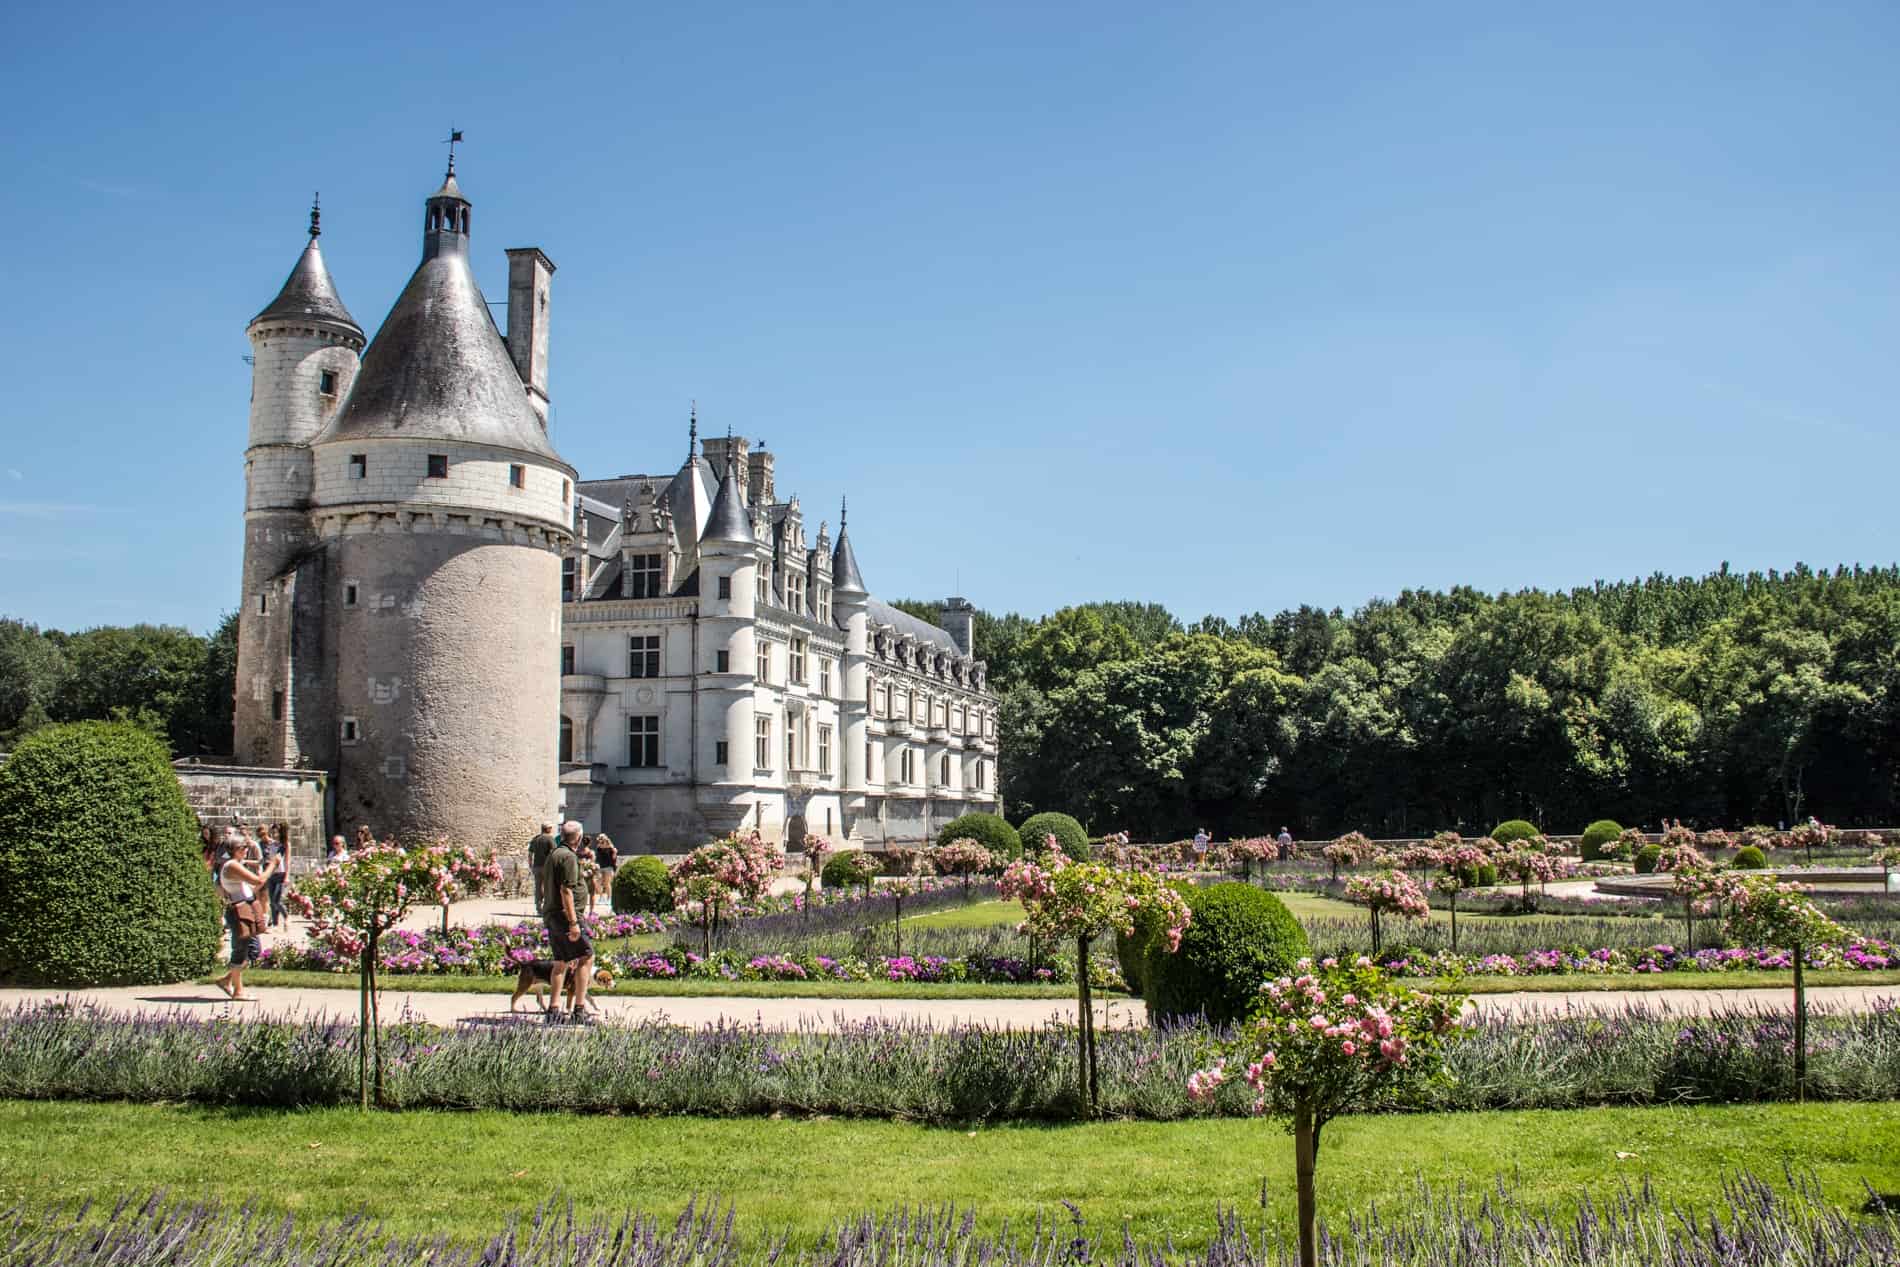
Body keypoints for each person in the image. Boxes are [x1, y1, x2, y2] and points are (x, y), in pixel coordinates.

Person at [540, 821, 595, 1024]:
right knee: (586, 957)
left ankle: (553, 1010)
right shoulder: (569, 857)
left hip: (552, 913)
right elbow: (566, 890)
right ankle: (579, 1011)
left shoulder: (553, 855)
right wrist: (573, 922)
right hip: (566, 916)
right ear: (579, 838)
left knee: (560, 961)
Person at [212, 833, 268, 1000]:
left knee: (253, 950)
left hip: (246, 909)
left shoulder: (236, 865)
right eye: (242, 847)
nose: (246, 850)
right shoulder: (231, 866)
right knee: (240, 950)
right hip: (238, 912)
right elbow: (259, 879)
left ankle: (226, 980)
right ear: (233, 850)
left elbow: (252, 887)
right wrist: (274, 865)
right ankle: (238, 991)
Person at [261, 828, 289, 929]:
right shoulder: (271, 845)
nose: (274, 834)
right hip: (272, 874)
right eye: (272, 832)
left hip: (281, 873)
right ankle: (275, 924)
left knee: (276, 900)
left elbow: (287, 861)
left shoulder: (284, 844)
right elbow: (269, 858)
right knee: (272, 902)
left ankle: (286, 917)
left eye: (276, 832)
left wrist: (287, 875)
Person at [528, 823, 556, 910]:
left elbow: (530, 853)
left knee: (538, 886)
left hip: (536, 866)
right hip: (547, 866)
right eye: (551, 828)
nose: (552, 830)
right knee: (548, 886)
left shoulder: (535, 839)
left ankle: (538, 906)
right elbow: (553, 853)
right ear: (547, 829)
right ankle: (547, 907)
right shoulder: (550, 838)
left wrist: (531, 865)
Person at [592, 833, 618, 914]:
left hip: (608, 867)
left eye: (601, 839)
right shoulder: (599, 847)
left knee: (607, 884)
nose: (599, 841)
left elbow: (614, 858)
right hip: (600, 867)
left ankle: (609, 899)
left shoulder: (611, 848)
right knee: (597, 883)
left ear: (605, 839)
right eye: (599, 839)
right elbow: (599, 852)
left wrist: (614, 852)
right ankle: (601, 897)